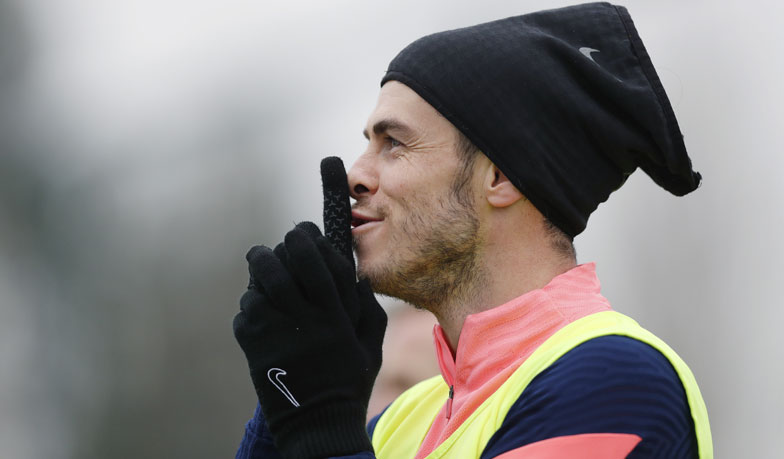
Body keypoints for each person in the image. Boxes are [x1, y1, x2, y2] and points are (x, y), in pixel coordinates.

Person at [232, 3, 712, 458]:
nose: (355, 175)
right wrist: (288, 402)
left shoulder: (613, 379)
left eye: (394, 142)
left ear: (500, 177)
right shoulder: (404, 417)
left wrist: (322, 429)